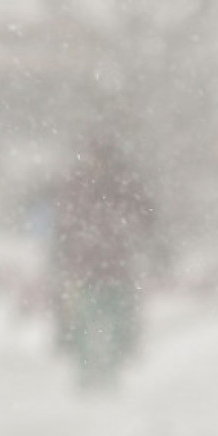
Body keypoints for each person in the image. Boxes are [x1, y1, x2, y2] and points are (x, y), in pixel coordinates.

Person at [51, 137, 156, 390]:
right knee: (84, 327)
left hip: (114, 271)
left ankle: (110, 375)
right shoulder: (81, 186)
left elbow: (145, 217)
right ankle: (88, 377)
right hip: (88, 272)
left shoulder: (121, 186)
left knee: (116, 325)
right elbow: (64, 224)